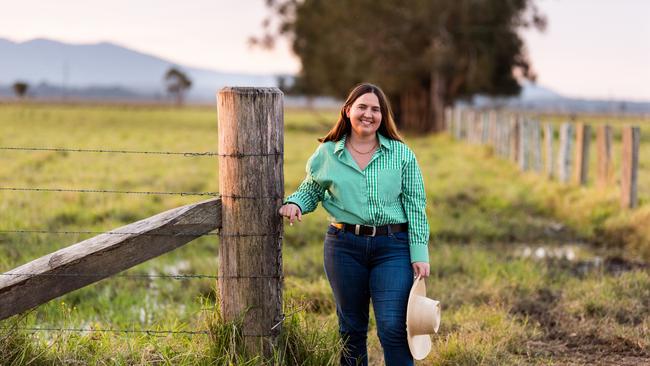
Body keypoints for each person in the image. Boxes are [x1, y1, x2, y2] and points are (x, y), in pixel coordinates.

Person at [278, 83, 430, 366]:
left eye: (376, 109)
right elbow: (312, 189)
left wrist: (419, 253)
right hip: (343, 247)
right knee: (351, 330)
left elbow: (415, 205)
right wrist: (296, 203)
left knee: (393, 327)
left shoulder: (401, 154)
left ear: (383, 116)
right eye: (362, 107)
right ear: (348, 111)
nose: (368, 114)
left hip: (392, 248)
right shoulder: (326, 153)